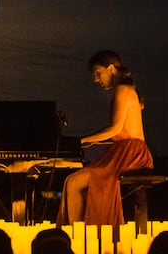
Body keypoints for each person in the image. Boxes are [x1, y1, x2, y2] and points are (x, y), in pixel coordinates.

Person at [57, 50, 153, 227]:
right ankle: (83, 233)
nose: (96, 79)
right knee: (74, 182)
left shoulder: (123, 90)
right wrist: (89, 140)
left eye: (98, 73)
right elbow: (118, 131)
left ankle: (83, 237)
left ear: (110, 68)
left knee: (73, 183)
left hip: (130, 152)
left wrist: (82, 140)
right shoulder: (126, 89)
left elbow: (114, 129)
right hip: (127, 150)